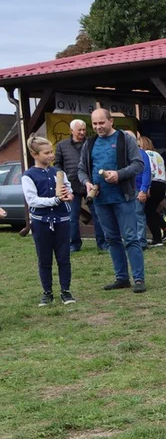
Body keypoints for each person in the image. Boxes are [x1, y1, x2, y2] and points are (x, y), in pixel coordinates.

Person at [77, 108, 147, 293]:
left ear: (110, 121)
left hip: (124, 198)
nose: (98, 127)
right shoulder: (89, 143)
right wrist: (87, 183)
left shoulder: (126, 139)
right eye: (95, 124)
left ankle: (138, 279)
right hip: (100, 200)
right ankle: (122, 278)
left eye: (101, 123)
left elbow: (138, 164)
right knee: (112, 239)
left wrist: (119, 174)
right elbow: (81, 170)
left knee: (131, 238)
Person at [23, 137, 76, 306]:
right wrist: (55, 200)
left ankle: (66, 291)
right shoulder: (28, 176)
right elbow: (32, 200)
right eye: (46, 153)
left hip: (62, 221)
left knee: (64, 257)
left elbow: (69, 189)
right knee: (44, 259)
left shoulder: (58, 172)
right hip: (41, 223)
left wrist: (69, 195)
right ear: (34, 154)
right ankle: (47, 293)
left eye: (51, 152)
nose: (51, 155)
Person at [54, 119, 94, 252]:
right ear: (72, 131)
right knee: (72, 217)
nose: (82, 132)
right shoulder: (62, 145)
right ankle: (74, 244)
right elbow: (57, 164)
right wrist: (62, 181)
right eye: (79, 130)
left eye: (84, 130)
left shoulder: (91, 143)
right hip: (71, 185)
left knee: (98, 215)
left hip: (90, 183)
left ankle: (103, 243)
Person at [138, 135, 166, 247]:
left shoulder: (144, 155)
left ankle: (158, 237)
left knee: (148, 212)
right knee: (151, 210)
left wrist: (146, 188)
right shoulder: (158, 155)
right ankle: (165, 228)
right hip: (161, 184)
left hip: (152, 183)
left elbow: (149, 170)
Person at [128, 130, 152, 250]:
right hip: (125, 190)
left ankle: (141, 242)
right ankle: (132, 242)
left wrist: (143, 190)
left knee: (138, 215)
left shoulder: (141, 153)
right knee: (127, 216)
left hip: (137, 188)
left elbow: (146, 172)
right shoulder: (122, 154)